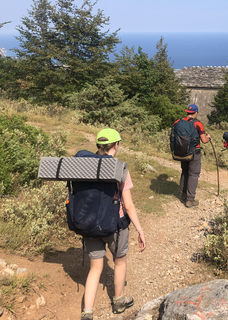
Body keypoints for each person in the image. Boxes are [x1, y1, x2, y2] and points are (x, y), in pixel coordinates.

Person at [81, 128, 146, 320]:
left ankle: (87, 312)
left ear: (98, 146)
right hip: (115, 225)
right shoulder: (121, 169)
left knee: (95, 269)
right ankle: (118, 302)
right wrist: (140, 230)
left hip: (89, 224)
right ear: (116, 145)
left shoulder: (83, 166)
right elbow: (129, 206)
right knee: (119, 262)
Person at [173, 104, 211, 207]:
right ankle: (190, 200)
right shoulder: (198, 124)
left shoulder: (177, 122)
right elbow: (204, 140)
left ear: (187, 112)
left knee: (185, 172)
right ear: (196, 113)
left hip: (182, 152)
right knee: (193, 174)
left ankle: (183, 193)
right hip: (194, 153)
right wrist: (209, 138)